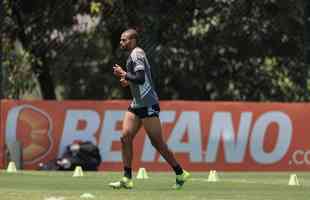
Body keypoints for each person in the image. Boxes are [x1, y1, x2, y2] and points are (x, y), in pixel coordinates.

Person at [109, 28, 190, 190]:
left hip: (148, 104)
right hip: (137, 104)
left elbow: (140, 78)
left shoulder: (136, 54)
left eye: (124, 40)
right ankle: (127, 178)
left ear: (132, 40)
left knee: (158, 144)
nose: (121, 43)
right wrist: (128, 80)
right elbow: (138, 80)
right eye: (120, 40)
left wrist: (124, 74)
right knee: (125, 137)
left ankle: (180, 173)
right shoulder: (133, 55)